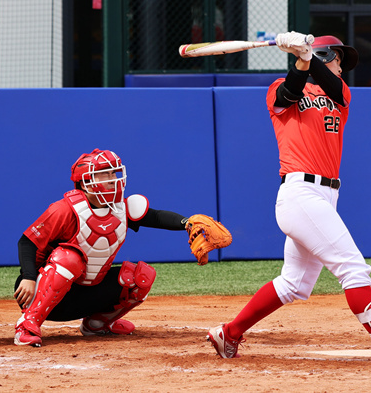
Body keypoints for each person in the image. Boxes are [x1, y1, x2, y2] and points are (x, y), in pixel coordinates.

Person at [206, 35, 371, 366]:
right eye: (337, 59)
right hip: (300, 193)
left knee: (293, 284)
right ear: (324, 54)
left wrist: (308, 56)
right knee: (354, 269)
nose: (341, 67)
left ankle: (229, 333)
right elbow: (290, 92)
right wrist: (303, 59)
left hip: (325, 196)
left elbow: (331, 84)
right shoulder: (278, 89)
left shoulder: (340, 93)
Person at [13, 148, 225, 347]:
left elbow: (156, 217)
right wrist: (28, 277)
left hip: (85, 293)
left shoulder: (121, 209)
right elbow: (27, 242)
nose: (112, 179)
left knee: (140, 276)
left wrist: (187, 223)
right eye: (104, 174)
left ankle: (97, 324)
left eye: (113, 173)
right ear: (86, 182)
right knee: (69, 257)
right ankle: (27, 324)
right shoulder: (64, 210)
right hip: (38, 293)